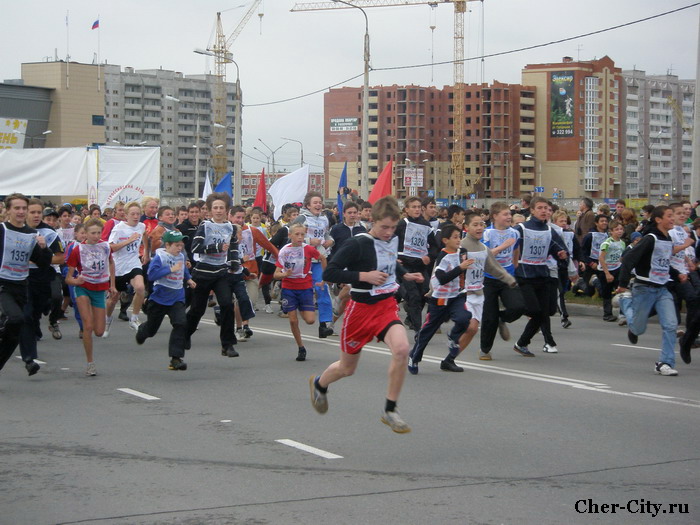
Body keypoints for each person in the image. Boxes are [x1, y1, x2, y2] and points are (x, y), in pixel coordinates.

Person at [310, 196, 425, 434]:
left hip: (385, 306)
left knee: (402, 349)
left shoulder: (392, 239)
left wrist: (405, 274)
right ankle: (319, 384)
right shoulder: (358, 243)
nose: (389, 232)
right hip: (360, 310)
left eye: (393, 228)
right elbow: (330, 272)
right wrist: (364, 276)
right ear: (372, 220)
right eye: (384, 227)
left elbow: (389, 262)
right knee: (347, 368)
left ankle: (390, 409)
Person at [617, 206, 681, 376]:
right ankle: (625, 300)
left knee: (671, 325)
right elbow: (629, 258)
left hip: (662, 290)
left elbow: (664, 264)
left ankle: (665, 363)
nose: (672, 219)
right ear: (659, 219)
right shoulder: (650, 239)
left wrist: (679, 273)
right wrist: (623, 283)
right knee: (638, 329)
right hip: (644, 288)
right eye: (669, 216)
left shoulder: (668, 239)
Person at [407, 223, 473, 374]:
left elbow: (463, 273)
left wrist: (464, 284)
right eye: (455, 237)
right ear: (445, 240)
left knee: (464, 318)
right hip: (440, 299)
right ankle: (414, 357)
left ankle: (453, 338)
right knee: (427, 331)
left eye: (460, 237)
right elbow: (442, 278)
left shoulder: (463, 252)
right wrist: (460, 268)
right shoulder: (443, 256)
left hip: (456, 296)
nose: (458, 240)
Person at [0, 194, 53, 377]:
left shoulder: (31, 234)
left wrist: (44, 248)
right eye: (17, 208)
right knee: (14, 319)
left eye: (24, 208)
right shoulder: (2, 230)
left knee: (17, 328)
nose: (21, 212)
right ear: (7, 210)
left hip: (21, 285)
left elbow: (43, 263)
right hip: (2, 284)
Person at [185, 192, 240, 357]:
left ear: (226, 210)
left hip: (221, 272)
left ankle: (227, 344)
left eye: (221, 208)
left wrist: (234, 264)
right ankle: (184, 335)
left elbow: (233, 247)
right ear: (209, 210)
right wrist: (215, 248)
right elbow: (195, 247)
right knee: (197, 310)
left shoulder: (230, 227)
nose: (218, 210)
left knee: (227, 305)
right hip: (203, 272)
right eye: (215, 208)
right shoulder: (205, 226)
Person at [512, 197, 568, 357]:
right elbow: (509, 249)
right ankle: (504, 317)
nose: (544, 211)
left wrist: (561, 255)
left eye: (546, 208)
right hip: (524, 274)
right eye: (540, 208)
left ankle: (521, 343)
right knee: (535, 310)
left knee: (546, 312)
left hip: (542, 274)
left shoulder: (550, 231)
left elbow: (558, 249)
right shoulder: (520, 229)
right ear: (532, 210)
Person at [136, 230, 196, 371]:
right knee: (152, 330)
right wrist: (170, 269)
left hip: (177, 296)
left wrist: (189, 279)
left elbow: (182, 270)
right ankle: (143, 330)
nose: (180, 248)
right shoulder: (160, 257)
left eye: (181, 245)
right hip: (159, 298)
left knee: (180, 323)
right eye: (176, 245)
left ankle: (176, 358)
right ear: (167, 245)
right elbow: (151, 275)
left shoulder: (180, 256)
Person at [65, 218, 117, 376]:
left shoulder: (105, 247)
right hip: (83, 288)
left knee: (99, 331)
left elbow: (111, 263)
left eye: (98, 233)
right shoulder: (77, 250)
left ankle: (104, 320)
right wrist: (76, 280)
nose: (96, 236)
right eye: (92, 233)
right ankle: (90, 363)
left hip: (99, 289)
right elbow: (68, 278)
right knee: (88, 326)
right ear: (85, 234)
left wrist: (112, 284)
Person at [18, 200, 64, 373]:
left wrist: (41, 258)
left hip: (45, 275)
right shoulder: (17, 231)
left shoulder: (48, 233)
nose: (36, 215)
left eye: (39, 212)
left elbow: (60, 258)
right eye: (33, 212)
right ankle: (30, 358)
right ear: (25, 213)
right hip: (24, 277)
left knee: (52, 299)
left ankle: (47, 317)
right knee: (26, 316)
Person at [479, 202, 524, 360]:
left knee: (518, 306)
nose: (509, 217)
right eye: (505, 214)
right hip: (489, 278)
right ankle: (485, 350)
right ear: (495, 216)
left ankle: (502, 318)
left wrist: (515, 263)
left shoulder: (514, 233)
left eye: (509, 214)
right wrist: (502, 246)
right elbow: (484, 255)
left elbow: (516, 248)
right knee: (488, 317)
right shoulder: (487, 233)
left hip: (507, 276)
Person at [274, 223, 326, 362]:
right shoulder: (284, 251)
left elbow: (322, 258)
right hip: (289, 288)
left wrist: (324, 278)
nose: (300, 237)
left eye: (302, 234)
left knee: (310, 320)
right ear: (290, 235)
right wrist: (285, 274)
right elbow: (276, 274)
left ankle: (301, 307)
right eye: (297, 234)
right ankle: (301, 347)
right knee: (292, 320)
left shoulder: (308, 249)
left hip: (305, 287)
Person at [292, 192, 335, 338]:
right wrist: (309, 242)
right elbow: (292, 236)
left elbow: (326, 234)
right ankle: (296, 311)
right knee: (304, 291)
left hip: (319, 260)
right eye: (315, 202)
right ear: (308, 205)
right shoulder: (302, 218)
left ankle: (324, 325)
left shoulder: (324, 218)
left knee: (322, 289)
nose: (318, 205)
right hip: (303, 261)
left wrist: (331, 241)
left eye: (320, 202)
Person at [396, 196, 439, 331]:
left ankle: (410, 315)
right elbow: (390, 240)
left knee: (425, 292)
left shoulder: (426, 225)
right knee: (413, 296)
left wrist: (429, 256)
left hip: (420, 265)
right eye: (413, 207)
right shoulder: (402, 224)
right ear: (406, 209)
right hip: (405, 264)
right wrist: (394, 256)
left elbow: (434, 246)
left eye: (419, 207)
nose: (417, 209)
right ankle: (418, 329)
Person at [105, 202, 146, 334]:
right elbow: (110, 247)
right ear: (126, 215)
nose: (136, 217)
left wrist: (146, 252)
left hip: (133, 263)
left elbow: (145, 236)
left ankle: (134, 319)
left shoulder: (141, 226)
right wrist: (129, 240)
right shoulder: (119, 228)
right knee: (113, 299)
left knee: (140, 288)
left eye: (138, 214)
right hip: (118, 267)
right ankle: (107, 319)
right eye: (132, 214)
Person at [598, 220, 626, 322]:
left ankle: (623, 314)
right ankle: (607, 314)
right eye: (617, 229)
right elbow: (601, 258)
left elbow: (621, 257)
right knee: (607, 292)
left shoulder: (622, 243)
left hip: (617, 268)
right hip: (606, 270)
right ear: (611, 231)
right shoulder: (607, 243)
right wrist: (607, 273)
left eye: (621, 229)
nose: (619, 231)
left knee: (621, 290)